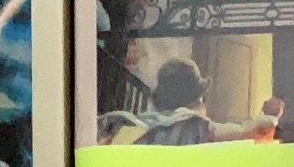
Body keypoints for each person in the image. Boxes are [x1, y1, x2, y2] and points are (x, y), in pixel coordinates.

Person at [102, 54, 284, 148]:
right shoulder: (197, 127)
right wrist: (269, 116)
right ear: (196, 98)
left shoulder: (120, 125)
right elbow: (250, 134)